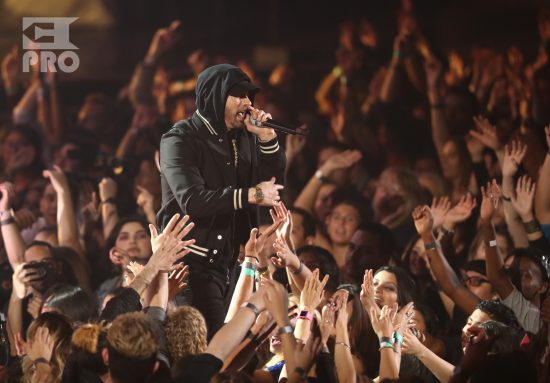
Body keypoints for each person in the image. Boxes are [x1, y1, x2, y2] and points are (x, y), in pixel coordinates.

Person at [157, 63, 286, 338]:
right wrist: (252, 195)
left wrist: (266, 139)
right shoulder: (179, 139)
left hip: (231, 264)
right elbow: (193, 200)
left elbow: (272, 186)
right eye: (239, 95)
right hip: (190, 267)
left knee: (233, 346)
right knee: (209, 348)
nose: (248, 103)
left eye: (250, 96)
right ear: (214, 96)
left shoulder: (244, 137)